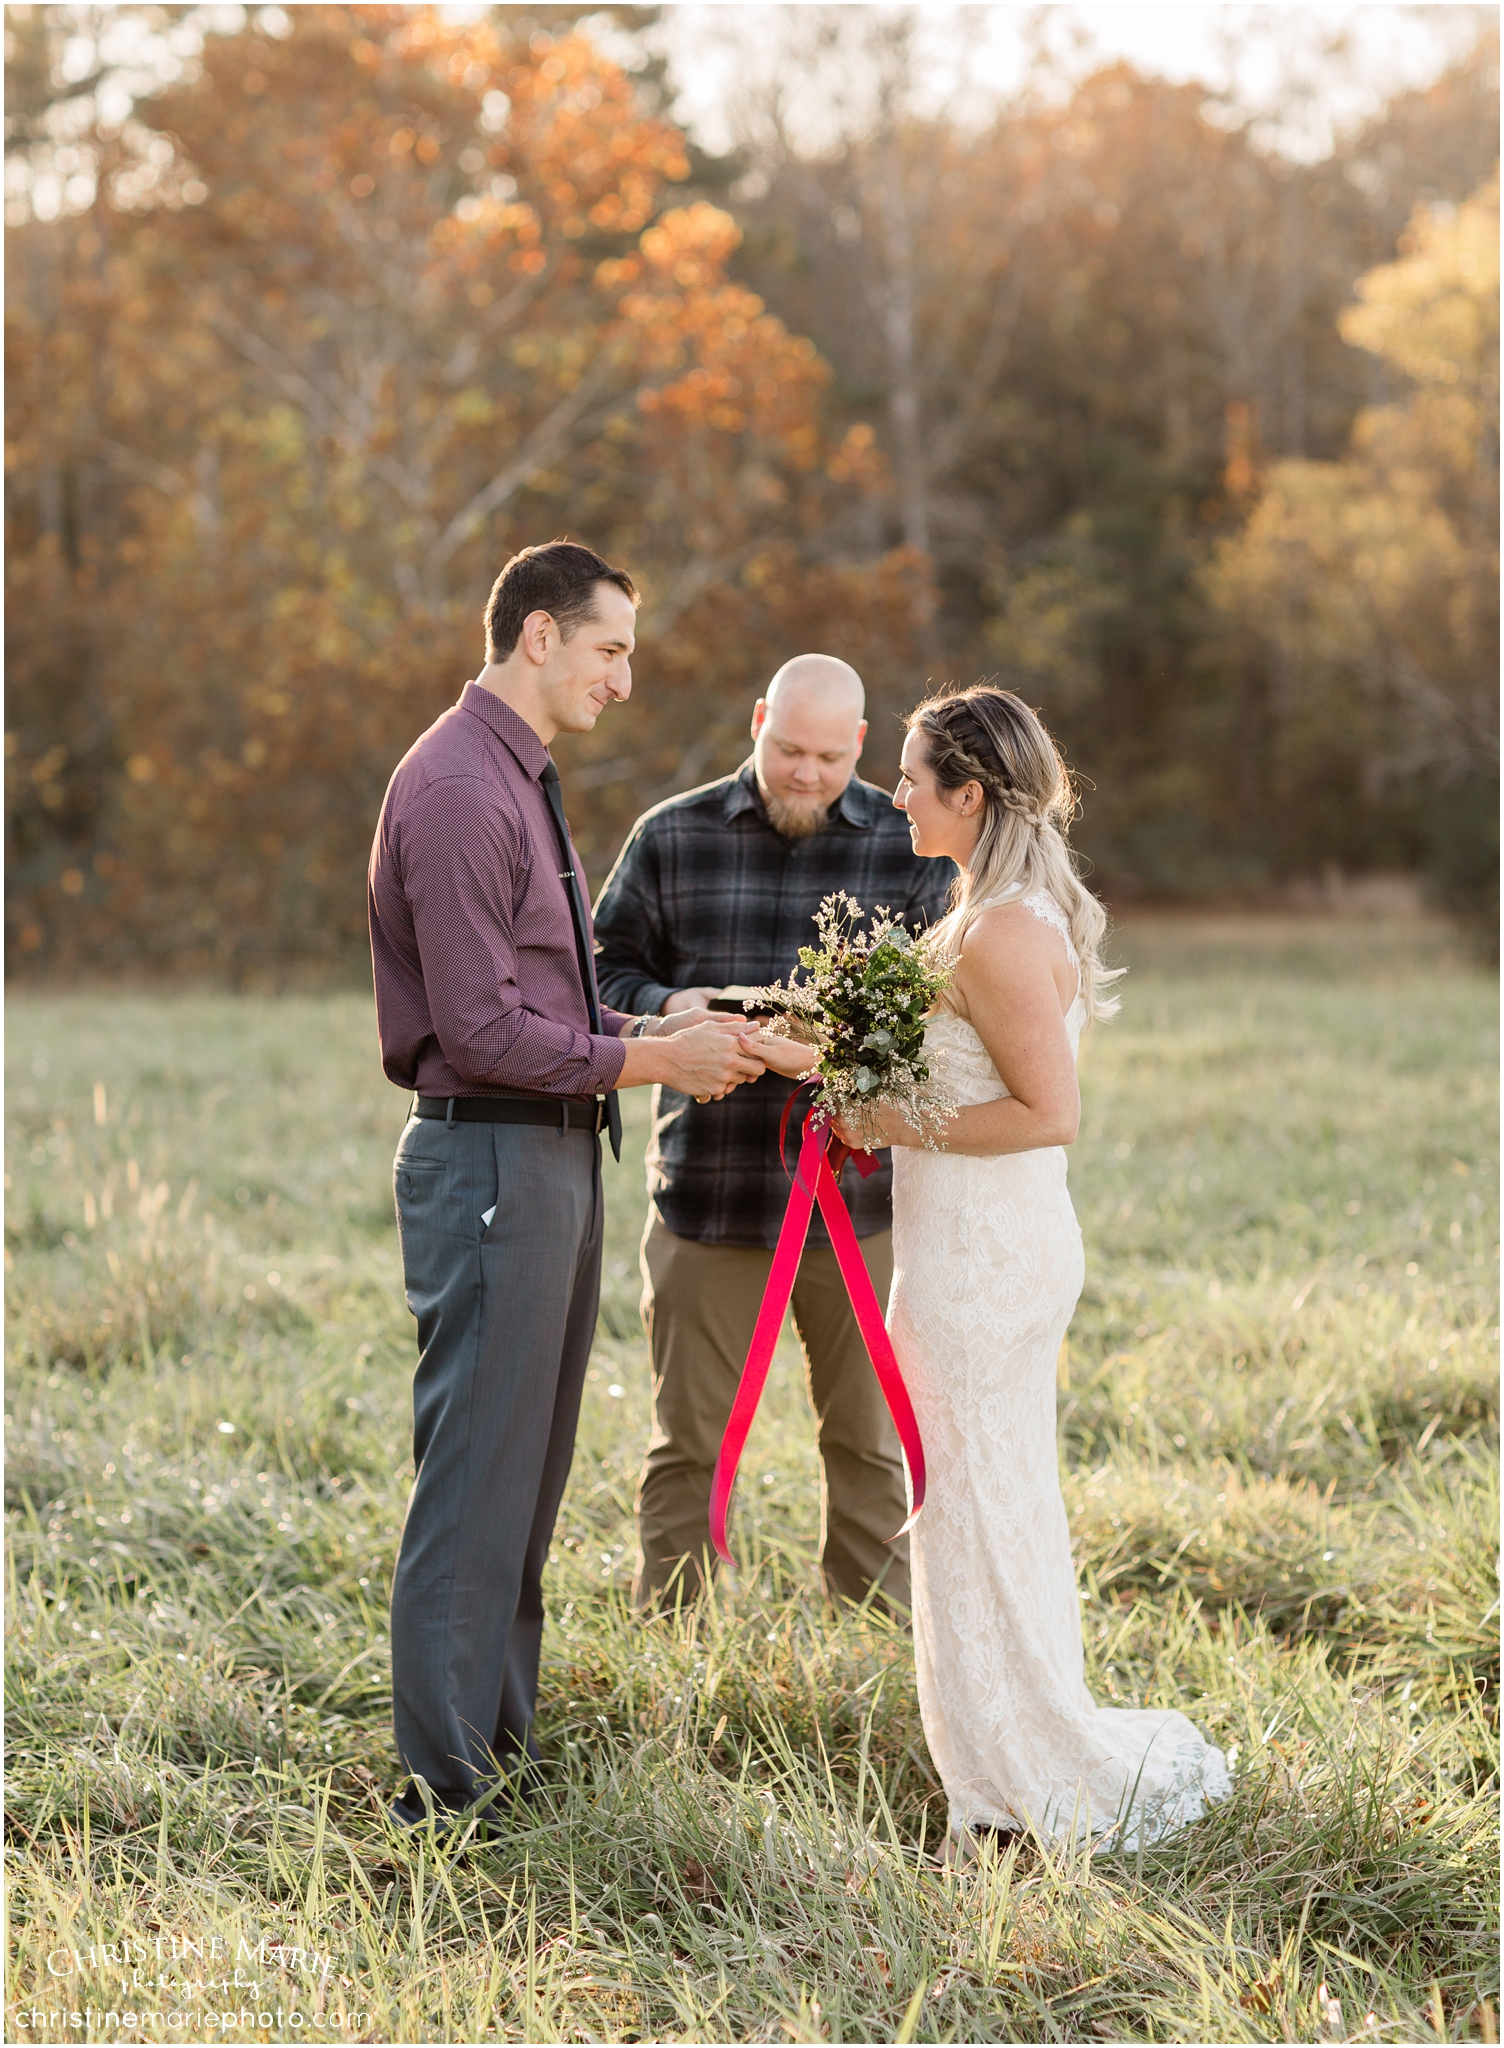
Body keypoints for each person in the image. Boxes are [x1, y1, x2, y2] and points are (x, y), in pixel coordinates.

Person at [367, 541, 765, 1829]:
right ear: (537, 635)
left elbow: (547, 990)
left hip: (548, 1152)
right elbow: (481, 1030)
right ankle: (444, 1791)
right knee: (475, 1474)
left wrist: (665, 1012)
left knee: (525, 1474)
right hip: (489, 1151)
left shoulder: (519, 775)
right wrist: (654, 1055)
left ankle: (503, 1746)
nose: (625, 679)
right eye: (611, 650)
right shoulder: (454, 788)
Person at [829, 685, 1232, 1856]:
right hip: (971, 1246)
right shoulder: (988, 910)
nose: (895, 793)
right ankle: (1002, 1773)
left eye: (912, 776)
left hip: (982, 1261)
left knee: (969, 1513)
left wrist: (886, 1122)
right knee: (981, 1505)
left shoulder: (1001, 926)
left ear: (969, 793)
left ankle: (1014, 1788)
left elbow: (1047, 1112)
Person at [593, 655, 953, 1614]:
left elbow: (936, 1022)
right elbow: (595, 977)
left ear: (862, 747)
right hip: (707, 1194)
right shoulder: (670, 836)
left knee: (868, 1437)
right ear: (757, 721)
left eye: (830, 757)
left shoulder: (907, 844)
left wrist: (824, 1047)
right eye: (789, 748)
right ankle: (671, 1631)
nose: (806, 772)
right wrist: (676, 1007)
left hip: (860, 1201)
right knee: (690, 1442)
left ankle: (877, 1635)